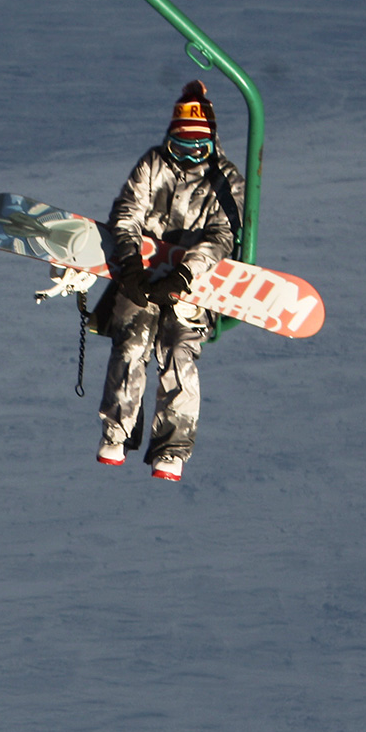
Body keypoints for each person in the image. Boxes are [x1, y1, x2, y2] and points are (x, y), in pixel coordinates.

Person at [93, 83, 244, 481]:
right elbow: (127, 212)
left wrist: (184, 274)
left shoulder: (226, 179)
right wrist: (129, 265)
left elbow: (223, 236)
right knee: (132, 341)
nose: (190, 157)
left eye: (199, 148)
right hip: (142, 272)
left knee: (178, 349)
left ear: (212, 143)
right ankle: (117, 430)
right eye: (181, 146)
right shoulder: (153, 164)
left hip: (192, 283)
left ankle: (173, 445)